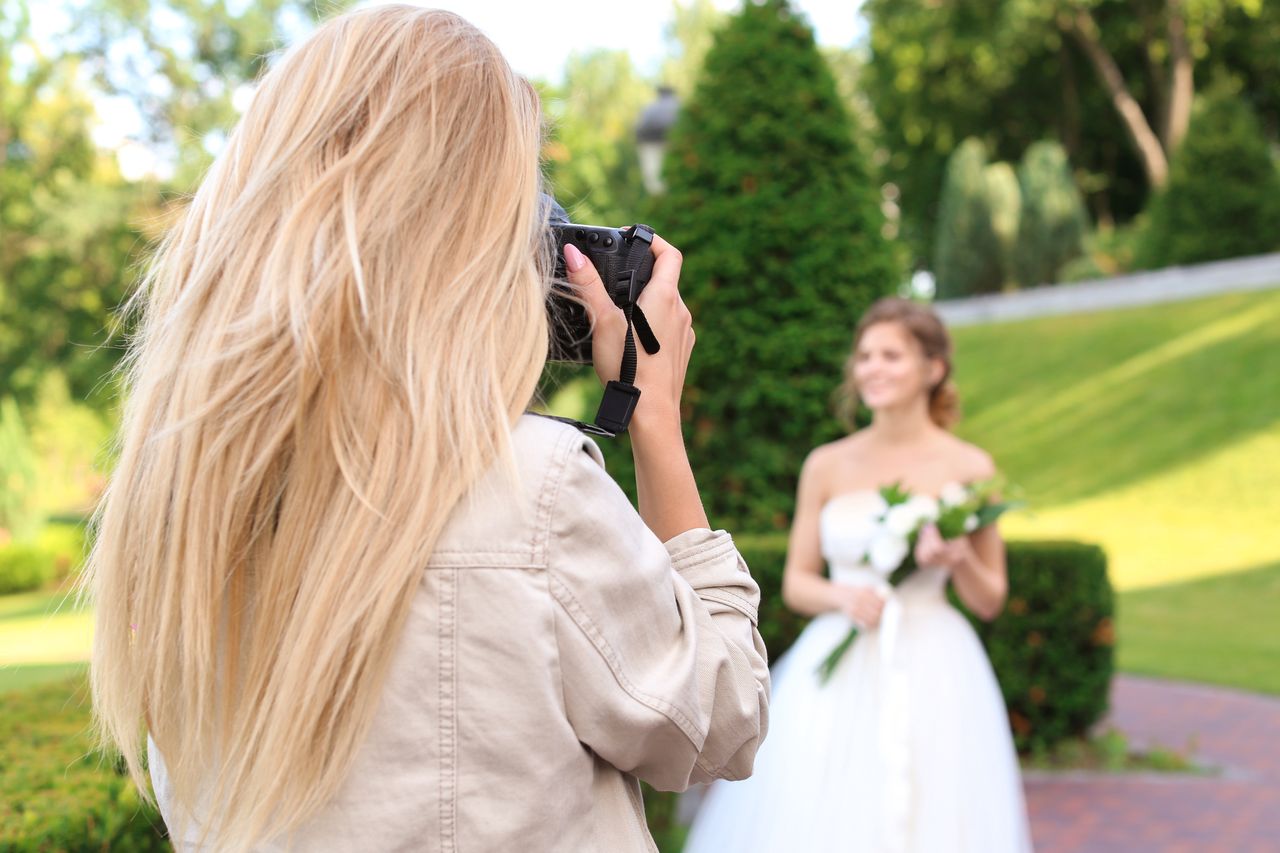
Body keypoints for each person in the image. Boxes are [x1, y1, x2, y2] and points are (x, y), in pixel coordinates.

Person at [83, 6, 769, 851]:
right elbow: (719, 719)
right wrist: (653, 411)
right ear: (473, 237)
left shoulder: (177, 504)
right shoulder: (531, 487)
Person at [684, 296, 1033, 852]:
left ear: (933, 369)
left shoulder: (970, 467)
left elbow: (990, 599)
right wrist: (845, 597)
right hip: (840, 660)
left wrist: (959, 557)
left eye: (891, 355)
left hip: (937, 663)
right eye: (865, 355)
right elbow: (799, 583)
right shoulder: (827, 464)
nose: (872, 367)